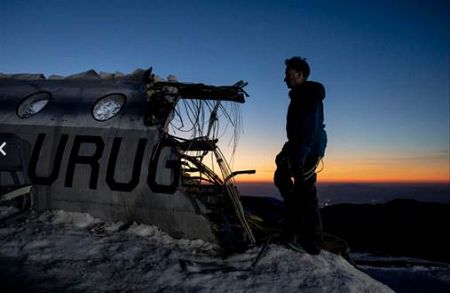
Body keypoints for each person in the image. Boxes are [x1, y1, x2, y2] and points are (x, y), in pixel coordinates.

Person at [274, 57, 327, 255]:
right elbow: (297, 131)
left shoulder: (309, 96)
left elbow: (309, 130)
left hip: (309, 149)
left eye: (288, 74)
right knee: (283, 179)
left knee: (306, 192)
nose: (284, 78)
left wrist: (301, 156)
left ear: (299, 74)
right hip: (300, 146)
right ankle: (293, 228)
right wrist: (286, 151)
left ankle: (312, 242)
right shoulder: (300, 95)